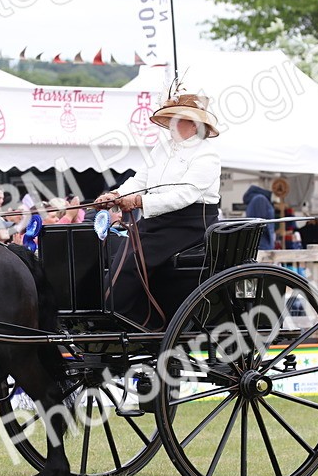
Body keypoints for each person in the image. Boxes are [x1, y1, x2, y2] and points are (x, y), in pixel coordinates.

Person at [98, 91, 221, 329]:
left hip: (190, 225)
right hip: (157, 221)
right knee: (117, 252)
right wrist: (116, 195)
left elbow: (185, 194)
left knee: (134, 260)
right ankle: (119, 314)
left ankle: (120, 319)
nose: (171, 126)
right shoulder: (162, 148)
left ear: (194, 125)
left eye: (178, 119)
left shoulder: (207, 154)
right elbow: (140, 180)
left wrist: (139, 202)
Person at [242, 184, 276, 251]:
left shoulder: (256, 200)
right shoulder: (260, 199)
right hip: (262, 242)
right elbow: (260, 223)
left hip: (258, 241)